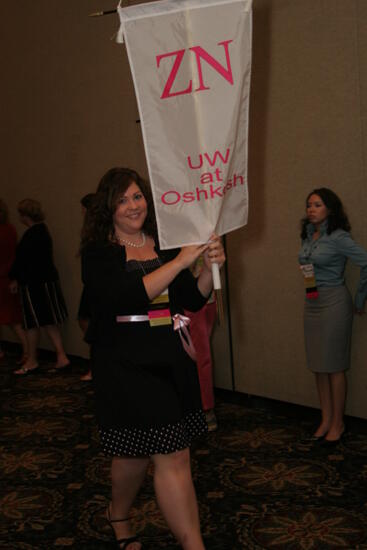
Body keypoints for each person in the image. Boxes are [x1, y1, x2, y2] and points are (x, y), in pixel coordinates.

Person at [81, 167, 225, 550]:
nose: (133, 206)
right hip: (124, 363)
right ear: (108, 208)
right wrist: (179, 261)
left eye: (138, 196)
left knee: (173, 453)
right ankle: (120, 513)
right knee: (133, 455)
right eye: (123, 199)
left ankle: (191, 543)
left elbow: (191, 300)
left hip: (168, 357)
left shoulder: (161, 244)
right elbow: (124, 297)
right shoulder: (98, 253)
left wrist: (211, 268)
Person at [299, 188, 367, 444]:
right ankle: (326, 419)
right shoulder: (307, 235)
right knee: (319, 366)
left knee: (335, 366)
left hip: (335, 303)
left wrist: (359, 299)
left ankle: (338, 423)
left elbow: (365, 262)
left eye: (317, 204)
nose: (311, 209)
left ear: (330, 209)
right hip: (312, 303)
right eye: (309, 205)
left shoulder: (339, 237)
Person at [9, 199, 69, 375]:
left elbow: (23, 262)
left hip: (34, 284)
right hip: (45, 281)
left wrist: (15, 279)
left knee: (32, 323)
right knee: (48, 321)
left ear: (24, 215)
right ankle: (60, 356)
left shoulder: (32, 235)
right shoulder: (42, 231)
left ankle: (32, 360)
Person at [184, 256, 218, 431]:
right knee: (199, 356)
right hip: (196, 298)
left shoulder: (204, 234)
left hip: (202, 298)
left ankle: (205, 408)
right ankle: (202, 407)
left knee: (201, 357)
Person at [0, 199, 28, 362]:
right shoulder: (10, 229)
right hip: (8, 276)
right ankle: (26, 350)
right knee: (12, 318)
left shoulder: (4, 231)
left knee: (11, 318)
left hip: (3, 277)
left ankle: (27, 351)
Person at [78, 193, 95, 381]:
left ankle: (95, 366)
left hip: (93, 287)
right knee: (85, 322)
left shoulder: (96, 232)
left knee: (91, 325)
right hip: (89, 285)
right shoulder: (88, 231)